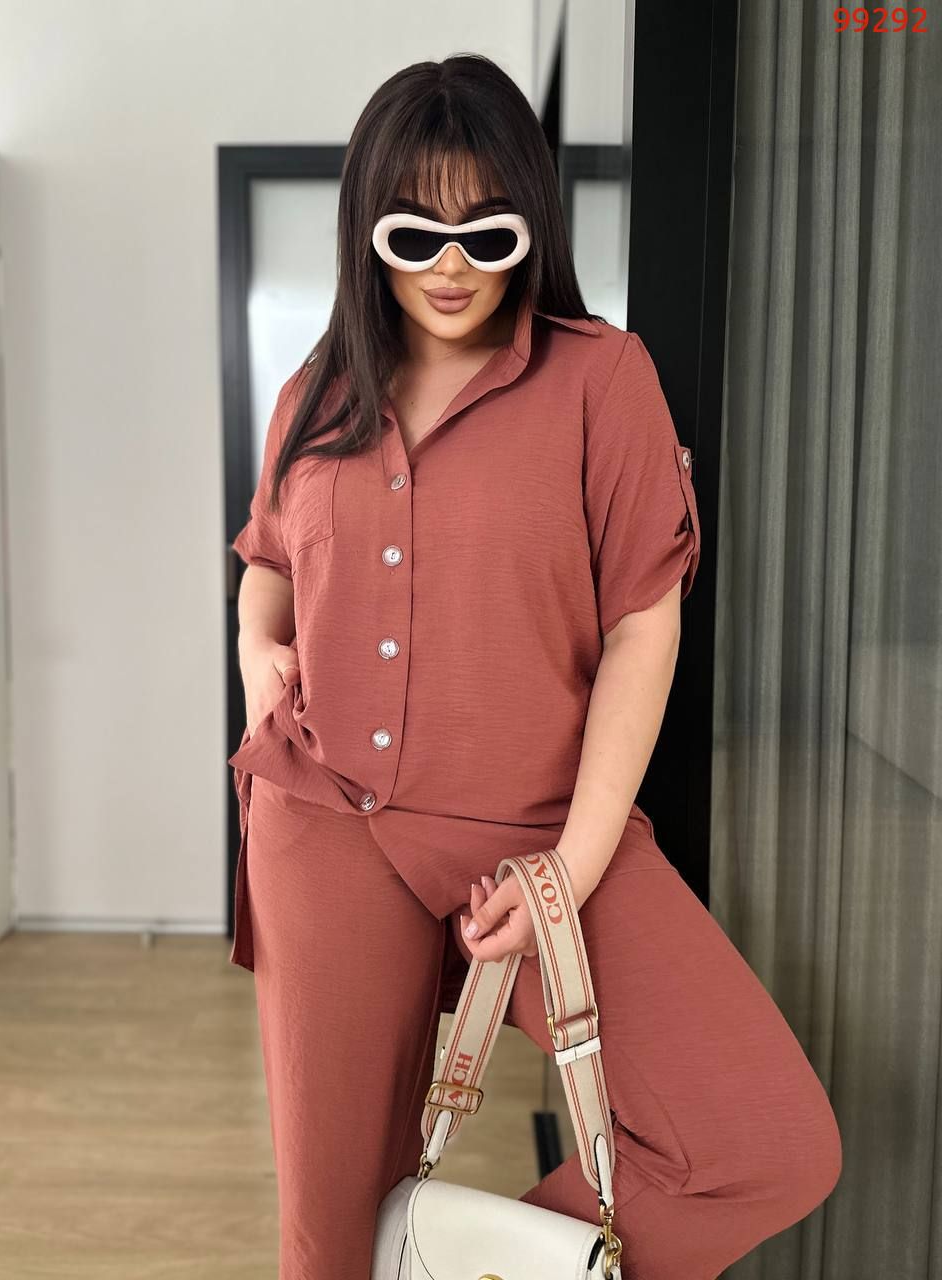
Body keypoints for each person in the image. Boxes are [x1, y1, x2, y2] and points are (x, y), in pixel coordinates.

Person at [228, 53, 842, 1280]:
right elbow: (269, 560)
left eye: (486, 228)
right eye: (415, 232)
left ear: (531, 223)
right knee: (330, 1240)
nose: (450, 264)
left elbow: (644, 626)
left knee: (761, 1142)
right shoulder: (314, 394)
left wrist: (572, 861)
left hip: (543, 829)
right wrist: (256, 643)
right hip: (324, 825)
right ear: (368, 233)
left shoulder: (601, 378)